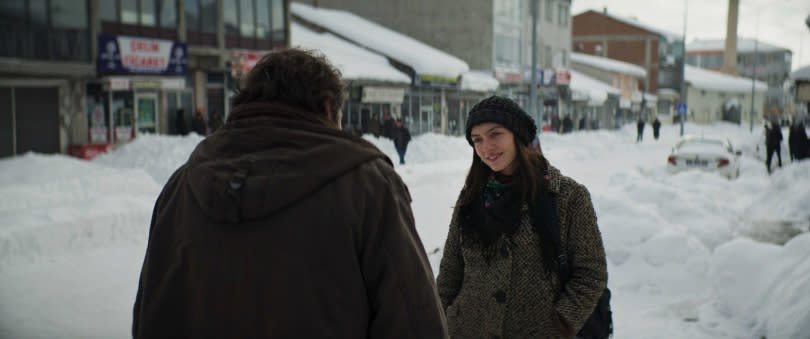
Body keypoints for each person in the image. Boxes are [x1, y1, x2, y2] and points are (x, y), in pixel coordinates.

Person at [133, 48, 448, 338]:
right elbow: (416, 323)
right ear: (328, 109)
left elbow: (150, 316)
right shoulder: (368, 186)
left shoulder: (180, 188)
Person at [436, 96, 608, 338]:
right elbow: (450, 274)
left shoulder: (568, 197)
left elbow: (591, 274)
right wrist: (439, 321)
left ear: (517, 135)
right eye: (478, 140)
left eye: (495, 134)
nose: (486, 148)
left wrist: (560, 324)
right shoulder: (472, 197)